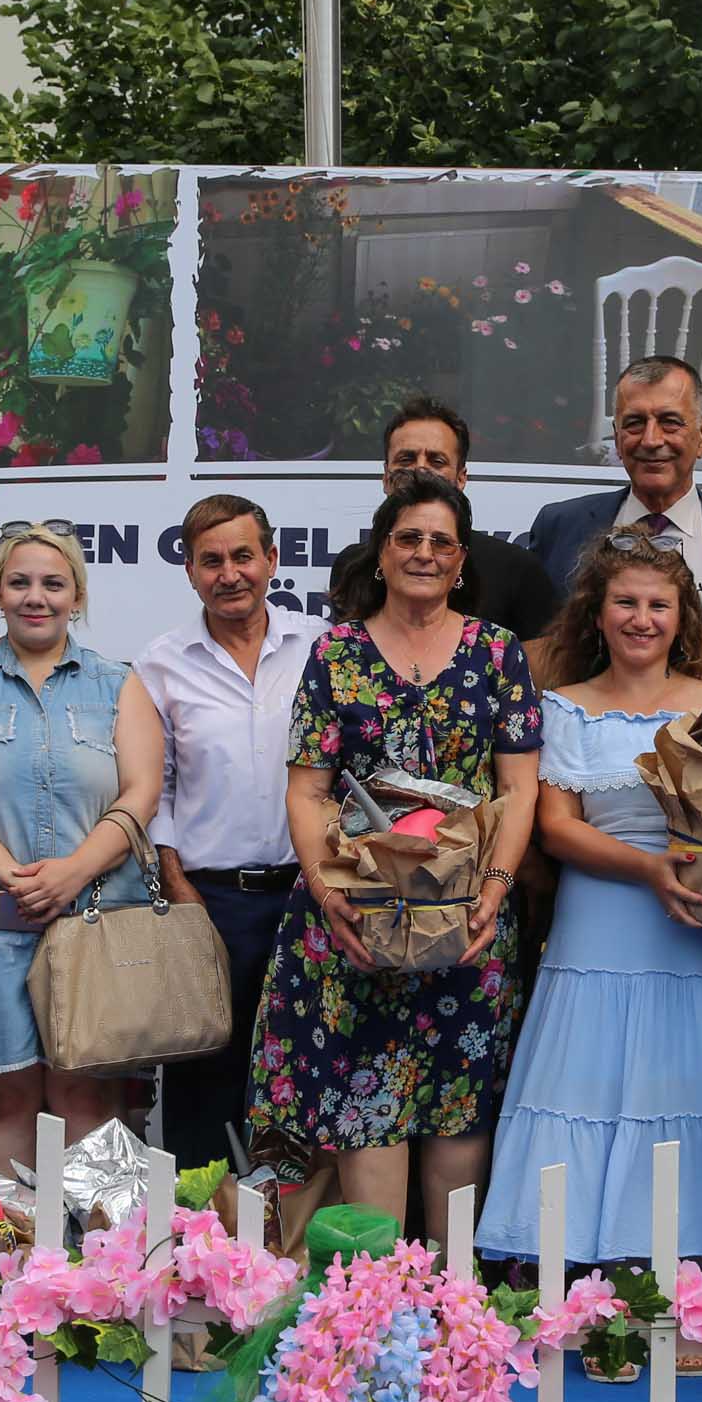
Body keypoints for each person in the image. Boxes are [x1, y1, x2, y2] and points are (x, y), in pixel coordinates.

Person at [480, 527, 702, 1342]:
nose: (641, 618)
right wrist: (648, 870)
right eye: (625, 602)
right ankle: (587, 1300)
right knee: (588, 1091)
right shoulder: (564, 707)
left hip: (701, 933)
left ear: (682, 616)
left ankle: (700, 1298)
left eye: (657, 604)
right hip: (599, 925)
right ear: (596, 613)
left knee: (693, 1093)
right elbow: (556, 827)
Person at [249, 474, 542, 1235]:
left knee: (458, 1109)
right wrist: (329, 895)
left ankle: (452, 1296)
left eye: (441, 541)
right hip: (355, 925)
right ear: (381, 553)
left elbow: (519, 788)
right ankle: (377, 1300)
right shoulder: (336, 653)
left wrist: (495, 888)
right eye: (408, 537)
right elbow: (307, 792)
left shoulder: (498, 653)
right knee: (365, 1111)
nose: (424, 552)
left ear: (461, 560)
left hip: (466, 923)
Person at [0, 522, 165, 1173]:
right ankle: (6, 1240)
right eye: (19, 582)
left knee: (88, 1093)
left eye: (53, 583)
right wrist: (14, 874)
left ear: (77, 595)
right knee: (1, 1096)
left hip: (97, 918)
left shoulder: (118, 684)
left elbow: (141, 793)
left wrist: (74, 872)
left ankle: (94, 1242)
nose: (36, 597)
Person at [135, 495, 330, 1174]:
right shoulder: (160, 665)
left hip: (312, 896)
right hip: (209, 900)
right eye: (210, 561)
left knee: (307, 1070)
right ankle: (200, 1225)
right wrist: (177, 886)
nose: (229, 574)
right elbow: (153, 788)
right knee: (204, 1082)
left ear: (271, 559)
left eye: (242, 556)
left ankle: (297, 1221)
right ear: (189, 571)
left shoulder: (322, 647)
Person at [525, 355, 702, 671]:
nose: (651, 440)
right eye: (635, 423)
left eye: (670, 422)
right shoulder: (559, 527)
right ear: (618, 438)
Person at [327, 398, 560, 640]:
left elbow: (539, 663)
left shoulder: (517, 570)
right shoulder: (352, 566)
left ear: (461, 478)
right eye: (406, 459)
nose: (420, 469)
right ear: (386, 477)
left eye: (436, 461)